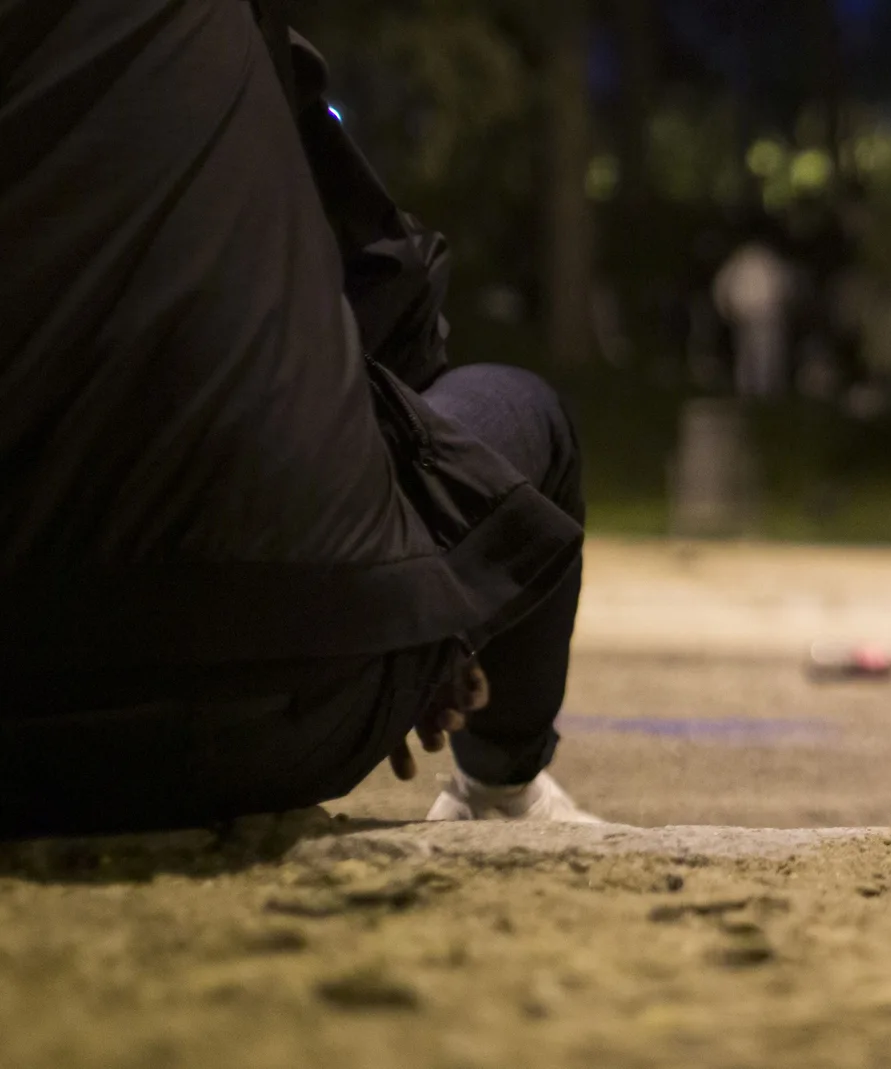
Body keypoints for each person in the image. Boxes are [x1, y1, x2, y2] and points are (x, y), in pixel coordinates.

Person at [0, 0, 599, 835]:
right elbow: (376, 281)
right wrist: (413, 591)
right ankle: (502, 790)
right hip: (295, 705)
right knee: (523, 413)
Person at [714, 238, 796, 399]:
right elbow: (785, 287)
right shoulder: (763, 262)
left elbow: (722, 287)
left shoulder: (759, 262)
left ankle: (760, 390)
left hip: (761, 314)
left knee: (760, 352)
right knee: (757, 352)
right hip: (756, 315)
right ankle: (757, 390)